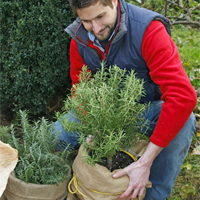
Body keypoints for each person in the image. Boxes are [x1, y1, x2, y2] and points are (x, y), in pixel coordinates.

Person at [54, 0, 197, 199]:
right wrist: (94, 127)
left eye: (100, 16)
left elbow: (183, 97)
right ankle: (76, 180)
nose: (95, 28)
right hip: (104, 112)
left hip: (143, 112)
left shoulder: (149, 30)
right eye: (86, 20)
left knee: (185, 121)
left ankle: (152, 192)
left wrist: (145, 162)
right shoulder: (79, 38)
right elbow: (81, 89)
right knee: (57, 136)